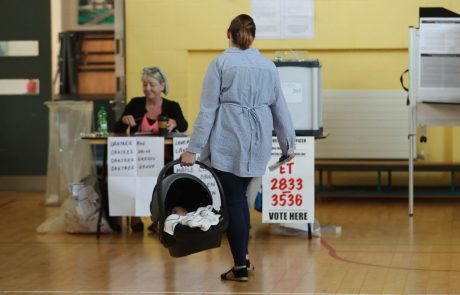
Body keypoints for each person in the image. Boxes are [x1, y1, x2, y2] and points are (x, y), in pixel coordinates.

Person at [180, 14, 296, 282]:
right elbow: (281, 108)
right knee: (240, 200)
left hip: (229, 140)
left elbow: (207, 111)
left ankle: (240, 266)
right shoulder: (268, 66)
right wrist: (287, 143)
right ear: (252, 36)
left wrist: (193, 148)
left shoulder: (220, 63)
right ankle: (242, 260)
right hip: (259, 141)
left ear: (228, 34)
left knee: (233, 202)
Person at [114, 66, 188, 232]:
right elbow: (117, 128)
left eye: (152, 84)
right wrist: (124, 120)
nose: (147, 88)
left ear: (162, 86)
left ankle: (160, 217)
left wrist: (175, 123)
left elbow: (184, 125)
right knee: (129, 177)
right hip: (138, 158)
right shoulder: (135, 104)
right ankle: (135, 217)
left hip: (164, 159)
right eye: (145, 85)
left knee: (168, 178)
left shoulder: (172, 106)